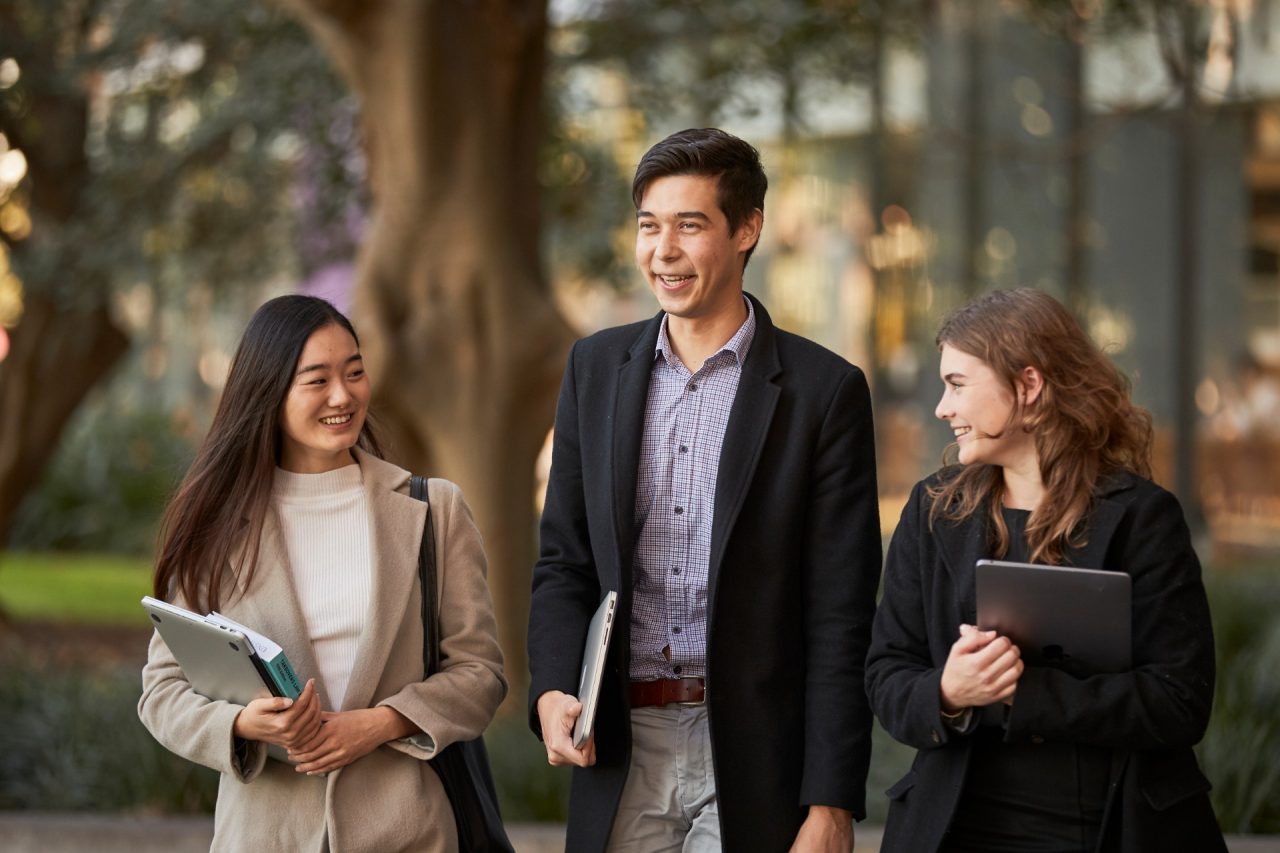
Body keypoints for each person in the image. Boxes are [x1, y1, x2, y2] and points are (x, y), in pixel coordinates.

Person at [527, 127, 882, 852]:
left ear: (747, 229)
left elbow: (840, 613)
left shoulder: (824, 392)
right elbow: (564, 558)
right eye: (649, 226)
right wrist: (554, 688)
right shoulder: (594, 369)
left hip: (755, 753)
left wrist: (831, 799)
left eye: (689, 226)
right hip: (620, 742)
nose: (664, 250)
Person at [138, 295, 506, 852]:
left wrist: (382, 723)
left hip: (407, 833)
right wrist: (243, 725)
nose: (343, 395)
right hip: (265, 837)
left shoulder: (434, 510)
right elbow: (162, 693)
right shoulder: (218, 525)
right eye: (317, 380)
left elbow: (480, 674)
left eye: (354, 372)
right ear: (268, 392)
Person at [865, 288, 1226, 852]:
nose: (942, 407)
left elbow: (1179, 701)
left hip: (1109, 829)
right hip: (958, 831)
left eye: (957, 384)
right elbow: (887, 673)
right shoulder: (932, 510)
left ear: (1028, 386)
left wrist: (1023, 692)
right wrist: (948, 691)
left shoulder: (1143, 517)